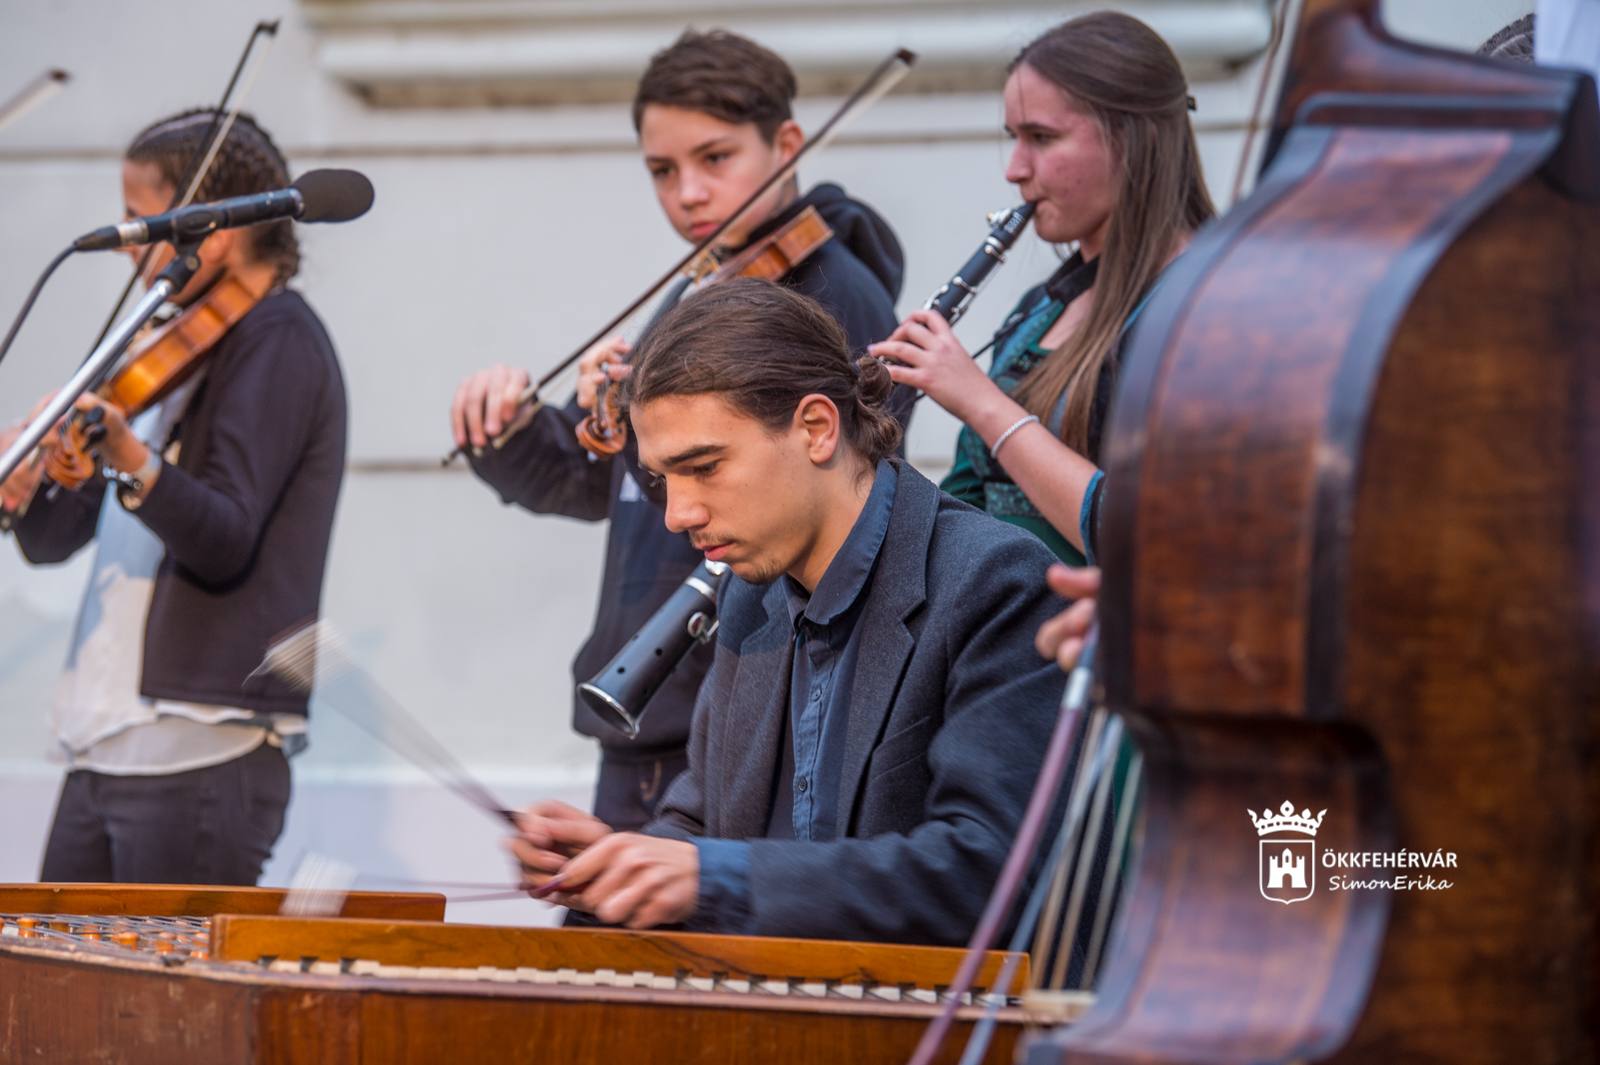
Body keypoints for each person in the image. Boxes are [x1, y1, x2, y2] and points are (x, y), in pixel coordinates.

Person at [507, 279, 1065, 944]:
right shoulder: (748, 595)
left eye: (705, 466)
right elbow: (702, 826)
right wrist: (612, 863)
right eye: (663, 479)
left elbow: (989, 874)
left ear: (816, 428)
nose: (678, 513)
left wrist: (714, 876)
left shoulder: (994, 579)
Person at [450, 29, 910, 832]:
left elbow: (836, 504)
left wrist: (627, 425)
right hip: (640, 702)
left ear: (787, 144)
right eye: (663, 170)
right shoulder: (703, 287)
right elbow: (597, 485)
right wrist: (517, 432)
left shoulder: (838, 292)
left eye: (715, 158)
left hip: (728, 705)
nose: (689, 192)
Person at [0, 111, 347, 885]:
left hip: (200, 749)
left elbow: (224, 533)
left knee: (169, 1007)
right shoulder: (157, 347)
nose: (130, 246)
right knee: (56, 995)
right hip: (101, 738)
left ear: (211, 232)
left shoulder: (278, 337)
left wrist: (127, 454)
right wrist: (34, 481)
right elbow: (53, 541)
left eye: (142, 221)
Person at [870, 12, 1215, 566]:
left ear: (1134, 139)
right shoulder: (1038, 308)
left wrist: (981, 403)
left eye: (1041, 138)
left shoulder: (1210, 306)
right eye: (1014, 138)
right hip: (1007, 638)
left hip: (1103, 645)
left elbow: (1146, 539)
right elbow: (964, 508)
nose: (1014, 169)